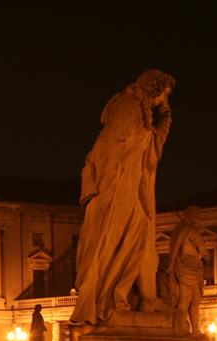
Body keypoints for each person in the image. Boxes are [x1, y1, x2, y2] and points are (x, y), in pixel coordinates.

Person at [70, 69, 175, 325]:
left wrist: (164, 121)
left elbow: (151, 152)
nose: (165, 100)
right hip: (116, 187)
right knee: (111, 240)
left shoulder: (142, 112)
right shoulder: (127, 106)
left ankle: (127, 295)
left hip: (132, 186)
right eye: (164, 94)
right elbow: (107, 146)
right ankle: (107, 299)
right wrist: (106, 187)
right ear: (154, 89)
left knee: (136, 237)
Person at [168, 206, 206, 334]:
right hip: (190, 269)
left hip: (184, 269)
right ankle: (186, 329)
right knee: (191, 301)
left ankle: (185, 328)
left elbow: (174, 249)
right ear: (191, 215)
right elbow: (204, 251)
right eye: (197, 214)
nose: (199, 217)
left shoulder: (178, 230)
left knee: (186, 300)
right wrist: (206, 258)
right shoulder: (192, 231)